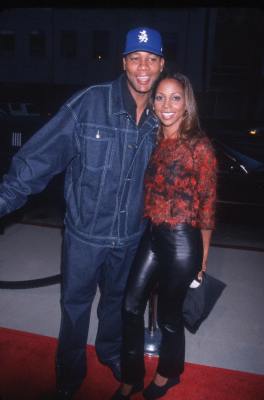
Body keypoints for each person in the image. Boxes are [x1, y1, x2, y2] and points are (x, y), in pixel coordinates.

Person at [0, 27, 165, 399]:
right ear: (123, 63)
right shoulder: (89, 104)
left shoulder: (162, 115)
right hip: (84, 237)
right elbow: (37, 161)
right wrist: (4, 200)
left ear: (161, 65)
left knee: (118, 306)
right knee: (74, 310)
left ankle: (110, 353)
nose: (143, 67)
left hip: (130, 237)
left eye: (151, 59)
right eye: (136, 58)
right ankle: (69, 377)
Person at [111, 72, 217, 400]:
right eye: (160, 97)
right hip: (153, 233)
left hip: (183, 242)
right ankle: (132, 376)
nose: (166, 104)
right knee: (130, 306)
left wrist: (202, 260)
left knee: (170, 316)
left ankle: (169, 373)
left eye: (175, 97)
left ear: (187, 104)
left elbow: (208, 209)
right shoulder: (156, 139)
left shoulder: (200, 146)